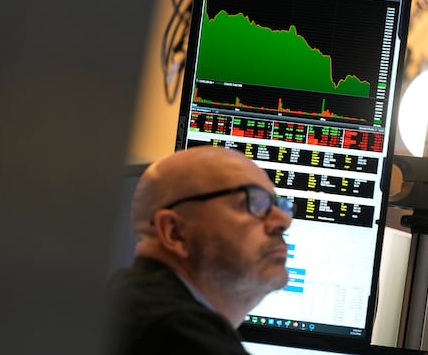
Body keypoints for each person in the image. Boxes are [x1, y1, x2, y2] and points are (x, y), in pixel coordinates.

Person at [106, 146, 294, 355]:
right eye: (253, 203)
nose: (283, 221)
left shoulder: (128, 303)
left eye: (279, 206)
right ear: (174, 232)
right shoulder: (176, 333)